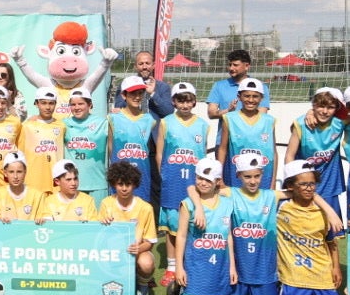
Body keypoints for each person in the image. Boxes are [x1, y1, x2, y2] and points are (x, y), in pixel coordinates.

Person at [274, 161, 345, 295]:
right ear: (290, 186)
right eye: (303, 184)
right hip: (294, 273)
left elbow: (331, 243)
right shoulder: (280, 205)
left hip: (320, 271)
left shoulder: (324, 212)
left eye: (312, 184)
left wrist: (336, 267)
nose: (309, 188)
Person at [171, 158, 237, 295]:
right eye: (200, 178)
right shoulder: (188, 204)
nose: (203, 183)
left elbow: (228, 235)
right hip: (197, 270)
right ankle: (180, 288)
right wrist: (179, 267)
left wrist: (232, 267)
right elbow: (181, 236)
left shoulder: (228, 203)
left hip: (220, 271)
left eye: (208, 180)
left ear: (217, 181)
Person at [155, 82, 214, 235]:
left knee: (193, 224)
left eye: (188, 101)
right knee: (172, 226)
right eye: (181, 101)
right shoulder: (166, 122)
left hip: (194, 182)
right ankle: (172, 259)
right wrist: (163, 176)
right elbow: (160, 153)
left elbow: (203, 155)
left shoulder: (203, 125)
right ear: (174, 101)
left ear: (194, 101)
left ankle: (189, 258)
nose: (185, 105)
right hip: (173, 181)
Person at [227, 151, 281, 295]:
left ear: (262, 174)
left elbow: (301, 192)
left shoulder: (272, 196)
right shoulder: (231, 193)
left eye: (256, 176)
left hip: (263, 268)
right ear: (238, 176)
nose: (252, 181)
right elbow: (195, 188)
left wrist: (329, 212)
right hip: (239, 266)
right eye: (247, 177)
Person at [99, 161, 159, 295]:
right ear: (114, 184)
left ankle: (143, 285)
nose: (124, 188)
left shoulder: (146, 208)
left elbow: (149, 242)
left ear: (135, 184)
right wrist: (102, 222)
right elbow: (98, 236)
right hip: (112, 252)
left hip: (135, 252)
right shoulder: (106, 203)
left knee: (146, 262)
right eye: (120, 184)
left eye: (128, 184)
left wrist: (139, 248)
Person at [285, 88, 346, 210]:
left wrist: (311, 111)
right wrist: (292, 180)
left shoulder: (339, 123)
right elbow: (289, 156)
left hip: (329, 185)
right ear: (313, 105)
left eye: (330, 107)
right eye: (320, 106)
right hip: (304, 185)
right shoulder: (301, 124)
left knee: (333, 225)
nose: (325, 111)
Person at [218, 77, 277, 189]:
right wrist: (220, 177)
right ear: (239, 97)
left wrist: (273, 182)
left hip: (263, 180)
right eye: (246, 96)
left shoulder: (269, 121)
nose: (251, 100)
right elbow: (222, 149)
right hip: (235, 178)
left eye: (255, 96)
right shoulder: (229, 118)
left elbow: (274, 153)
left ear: (261, 98)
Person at [108, 75, 157, 204]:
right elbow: (110, 148)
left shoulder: (149, 120)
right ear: (124, 95)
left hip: (142, 176)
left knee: (140, 212)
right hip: (119, 177)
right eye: (132, 93)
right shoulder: (113, 118)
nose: (137, 97)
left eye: (140, 93)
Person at [62, 87, 109, 204]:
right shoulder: (63, 124)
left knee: (98, 221)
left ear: (90, 105)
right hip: (72, 184)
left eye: (81, 104)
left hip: (97, 183)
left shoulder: (103, 123)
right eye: (73, 105)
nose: (77, 108)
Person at [18, 87, 65, 194]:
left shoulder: (61, 126)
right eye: (43, 103)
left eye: (51, 103)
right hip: (33, 182)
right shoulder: (26, 126)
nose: (48, 107)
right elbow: (20, 155)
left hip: (56, 182)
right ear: (36, 104)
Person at [207, 49, 269, 119]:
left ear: (247, 66)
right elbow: (211, 114)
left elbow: (262, 115)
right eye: (230, 65)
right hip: (226, 130)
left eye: (235, 65)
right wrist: (228, 111)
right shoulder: (219, 86)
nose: (231, 68)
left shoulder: (261, 87)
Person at [112, 50, 173, 118]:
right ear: (135, 66)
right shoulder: (126, 85)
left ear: (153, 65)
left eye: (147, 63)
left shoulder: (163, 87)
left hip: (154, 127)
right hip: (134, 125)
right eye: (141, 64)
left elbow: (169, 112)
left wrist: (153, 94)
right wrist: (132, 96)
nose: (144, 67)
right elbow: (118, 108)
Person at [0, 152, 45, 222]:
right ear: (5, 173)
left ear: (25, 172)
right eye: (11, 172)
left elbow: (43, 219)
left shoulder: (38, 196)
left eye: (19, 172)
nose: (15, 176)